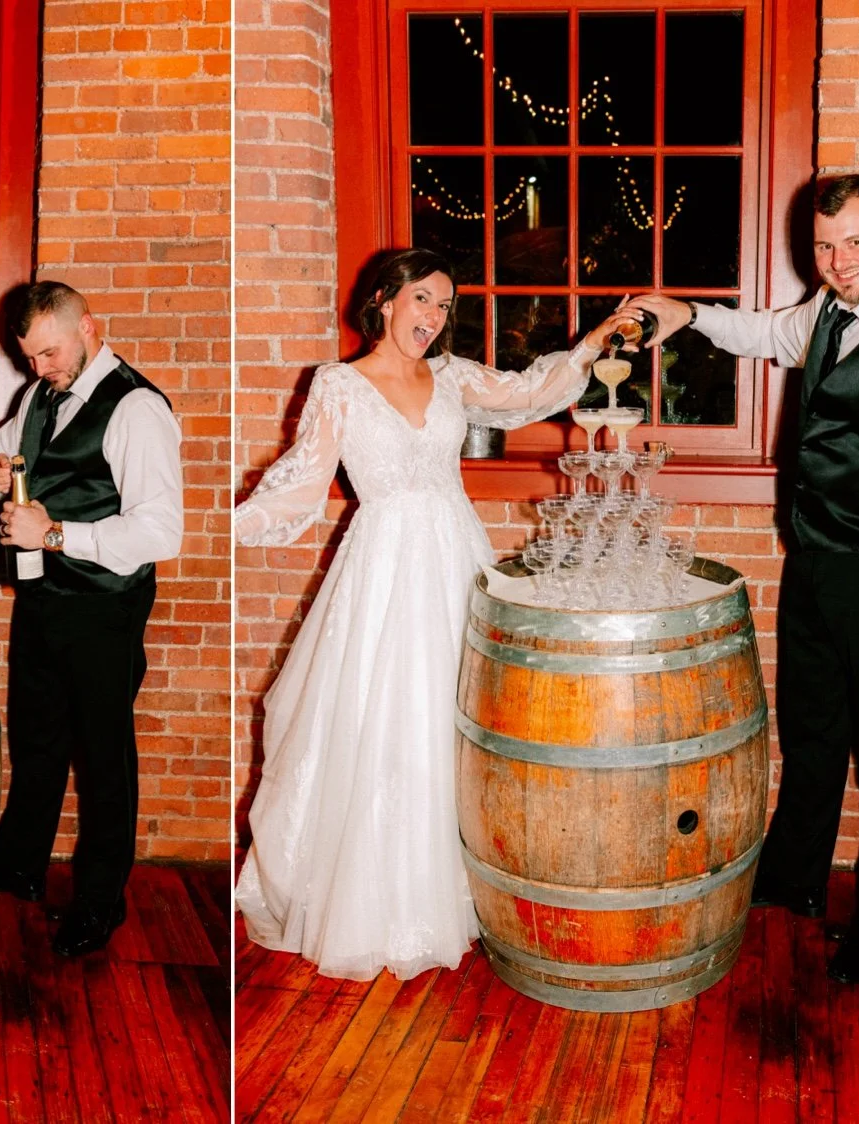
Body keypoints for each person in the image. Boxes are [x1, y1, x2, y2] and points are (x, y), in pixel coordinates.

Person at [235, 248, 631, 980]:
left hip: (457, 560)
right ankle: (381, 902)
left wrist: (593, 343)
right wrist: (219, 522)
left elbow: (528, 391)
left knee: (464, 719)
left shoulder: (452, 376)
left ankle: (471, 887)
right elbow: (298, 487)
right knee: (384, 721)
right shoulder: (338, 385)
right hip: (383, 571)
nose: (434, 316)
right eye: (422, 299)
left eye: (445, 306)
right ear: (385, 300)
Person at [628, 174, 859, 984]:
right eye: (826, 246)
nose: (839, 259)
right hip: (817, 559)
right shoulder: (828, 310)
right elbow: (766, 333)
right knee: (812, 727)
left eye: (855, 242)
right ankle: (797, 876)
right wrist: (690, 314)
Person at [0, 282, 183, 957]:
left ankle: (100, 904)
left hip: (104, 606)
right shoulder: (38, 395)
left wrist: (55, 534)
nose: (41, 369)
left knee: (102, 759)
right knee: (37, 740)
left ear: (89, 326)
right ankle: (20, 869)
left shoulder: (137, 408)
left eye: (50, 353)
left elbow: (161, 532)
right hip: (41, 599)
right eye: (30, 358)